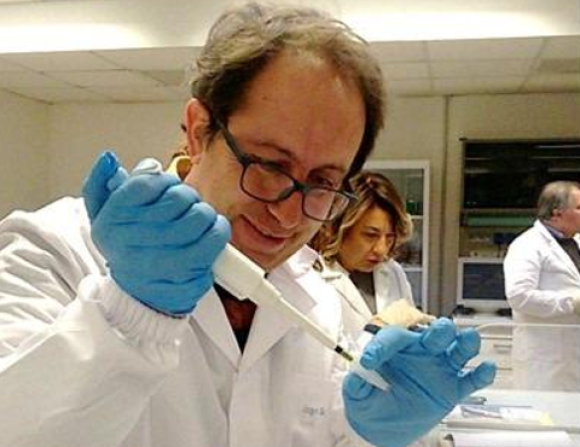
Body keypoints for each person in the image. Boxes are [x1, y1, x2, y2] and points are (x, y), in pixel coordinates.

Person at [0, 3, 495, 447]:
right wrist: (130, 315)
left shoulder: (322, 299)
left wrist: (375, 438)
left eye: (322, 181)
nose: (287, 214)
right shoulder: (55, 251)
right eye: (269, 166)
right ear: (199, 131)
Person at [310, 170, 434, 337]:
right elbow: (325, 358)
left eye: (389, 237)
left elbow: (406, 335)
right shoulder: (311, 279)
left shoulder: (392, 271)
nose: (382, 250)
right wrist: (378, 329)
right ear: (336, 229)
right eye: (371, 235)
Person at [504, 180, 580, 392]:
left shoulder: (575, 243)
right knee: (547, 419)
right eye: (579, 207)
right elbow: (519, 296)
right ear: (556, 213)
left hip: (573, 356)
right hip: (546, 359)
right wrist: (572, 303)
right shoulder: (527, 246)